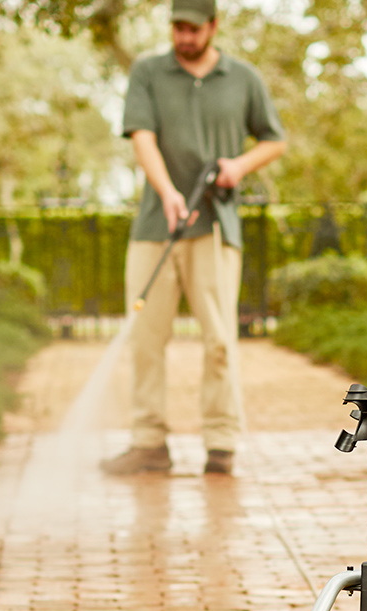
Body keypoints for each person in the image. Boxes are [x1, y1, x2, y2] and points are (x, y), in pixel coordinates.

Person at [99, 0, 287, 476]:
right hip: (155, 225)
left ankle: (221, 445)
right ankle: (148, 442)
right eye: (177, 27)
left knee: (220, 339)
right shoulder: (148, 71)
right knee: (146, 337)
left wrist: (237, 167)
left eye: (193, 28)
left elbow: (274, 139)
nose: (184, 36)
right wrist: (167, 193)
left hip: (216, 225)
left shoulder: (242, 78)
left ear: (213, 27)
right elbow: (141, 136)